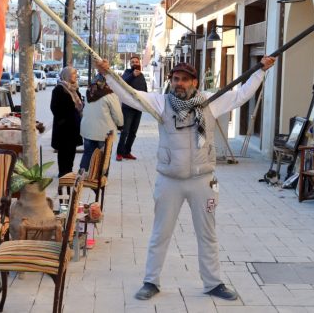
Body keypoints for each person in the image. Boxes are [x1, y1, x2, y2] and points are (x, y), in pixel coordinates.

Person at [97, 56, 276, 301]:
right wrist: (108, 75)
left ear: (195, 82)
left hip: (203, 180)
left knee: (208, 234)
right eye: (175, 79)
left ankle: (213, 282)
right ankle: (151, 281)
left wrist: (261, 71)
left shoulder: (210, 102)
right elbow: (130, 96)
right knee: (160, 233)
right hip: (169, 180)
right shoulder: (161, 103)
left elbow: (241, 95)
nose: (178, 84)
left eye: (184, 80)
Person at [79, 74, 123, 170]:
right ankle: (100, 179)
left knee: (87, 154)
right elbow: (117, 114)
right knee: (104, 156)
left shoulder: (89, 93)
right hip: (104, 132)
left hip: (87, 129)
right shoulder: (110, 95)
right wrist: (120, 125)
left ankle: (82, 175)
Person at [51, 67, 83, 177]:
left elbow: (79, 105)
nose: (76, 76)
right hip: (63, 127)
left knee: (71, 150)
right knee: (64, 150)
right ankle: (63, 172)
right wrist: (63, 120)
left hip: (74, 125)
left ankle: (69, 171)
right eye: (74, 74)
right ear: (67, 75)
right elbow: (54, 107)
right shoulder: (59, 89)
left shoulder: (74, 89)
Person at [116, 56, 147, 161]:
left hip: (138, 107)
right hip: (128, 107)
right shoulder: (127, 72)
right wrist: (133, 75)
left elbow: (144, 90)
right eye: (132, 62)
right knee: (125, 131)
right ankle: (119, 153)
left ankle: (127, 152)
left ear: (139, 63)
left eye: (136, 61)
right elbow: (122, 83)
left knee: (133, 132)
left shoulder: (142, 75)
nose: (134, 63)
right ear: (130, 64)